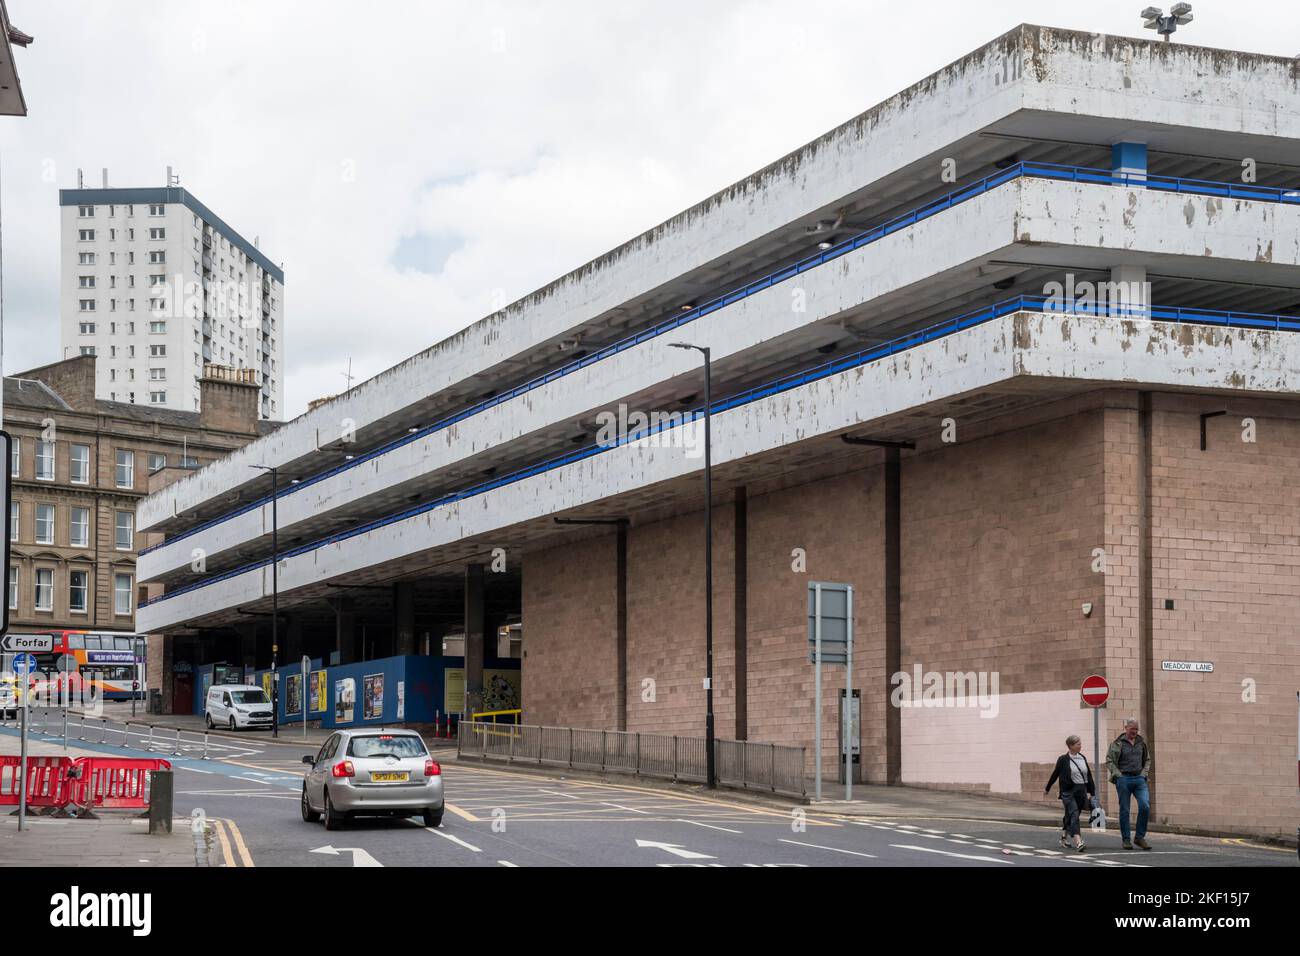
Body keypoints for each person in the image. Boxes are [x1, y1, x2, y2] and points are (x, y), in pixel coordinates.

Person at [1106, 717, 1152, 850]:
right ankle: (1126, 839)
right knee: (1124, 810)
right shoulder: (1117, 743)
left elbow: (1147, 760)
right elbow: (1109, 760)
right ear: (1126, 728)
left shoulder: (1141, 743)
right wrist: (1118, 775)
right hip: (1123, 779)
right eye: (1132, 729)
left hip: (1139, 779)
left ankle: (1139, 837)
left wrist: (1144, 774)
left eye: (1137, 729)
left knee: (1145, 806)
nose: (1135, 732)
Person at [1045, 734, 1094, 852]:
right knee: (1074, 814)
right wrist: (1047, 788)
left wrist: (1092, 792)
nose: (1080, 746)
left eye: (1080, 744)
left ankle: (1063, 837)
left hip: (1081, 791)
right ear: (1071, 746)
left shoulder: (1082, 757)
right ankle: (1078, 841)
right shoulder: (1063, 759)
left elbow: (1088, 775)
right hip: (1068, 791)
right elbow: (1055, 774)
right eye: (1078, 744)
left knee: (1069, 815)